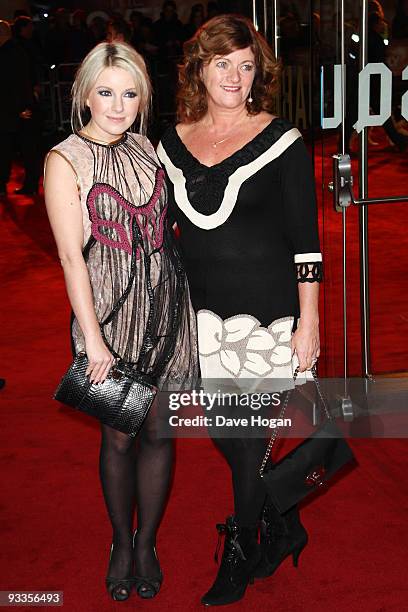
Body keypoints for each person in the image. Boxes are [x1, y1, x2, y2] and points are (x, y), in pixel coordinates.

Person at [157, 14, 323, 606]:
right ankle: (283, 523)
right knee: (225, 437)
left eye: (246, 64)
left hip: (269, 317)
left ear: (260, 74)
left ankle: (241, 544)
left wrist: (310, 320)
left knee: (248, 439)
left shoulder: (283, 141)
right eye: (222, 62)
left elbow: (306, 240)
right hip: (201, 319)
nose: (233, 75)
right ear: (199, 68)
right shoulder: (170, 142)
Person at [43, 41, 198, 601]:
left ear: (143, 98)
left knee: (160, 430)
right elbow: (69, 257)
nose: (117, 105)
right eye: (105, 92)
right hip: (110, 316)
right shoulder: (65, 159)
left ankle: (148, 541)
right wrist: (94, 340)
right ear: (83, 92)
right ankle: (120, 542)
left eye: (129, 93)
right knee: (119, 436)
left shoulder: (146, 148)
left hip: (166, 310)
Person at [0, 20, 33, 197]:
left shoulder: (9, 53)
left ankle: (26, 184)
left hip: (14, 109)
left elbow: (14, 83)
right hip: (17, 107)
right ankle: (29, 184)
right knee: (20, 148)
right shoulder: (17, 50)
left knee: (10, 147)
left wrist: (20, 107)